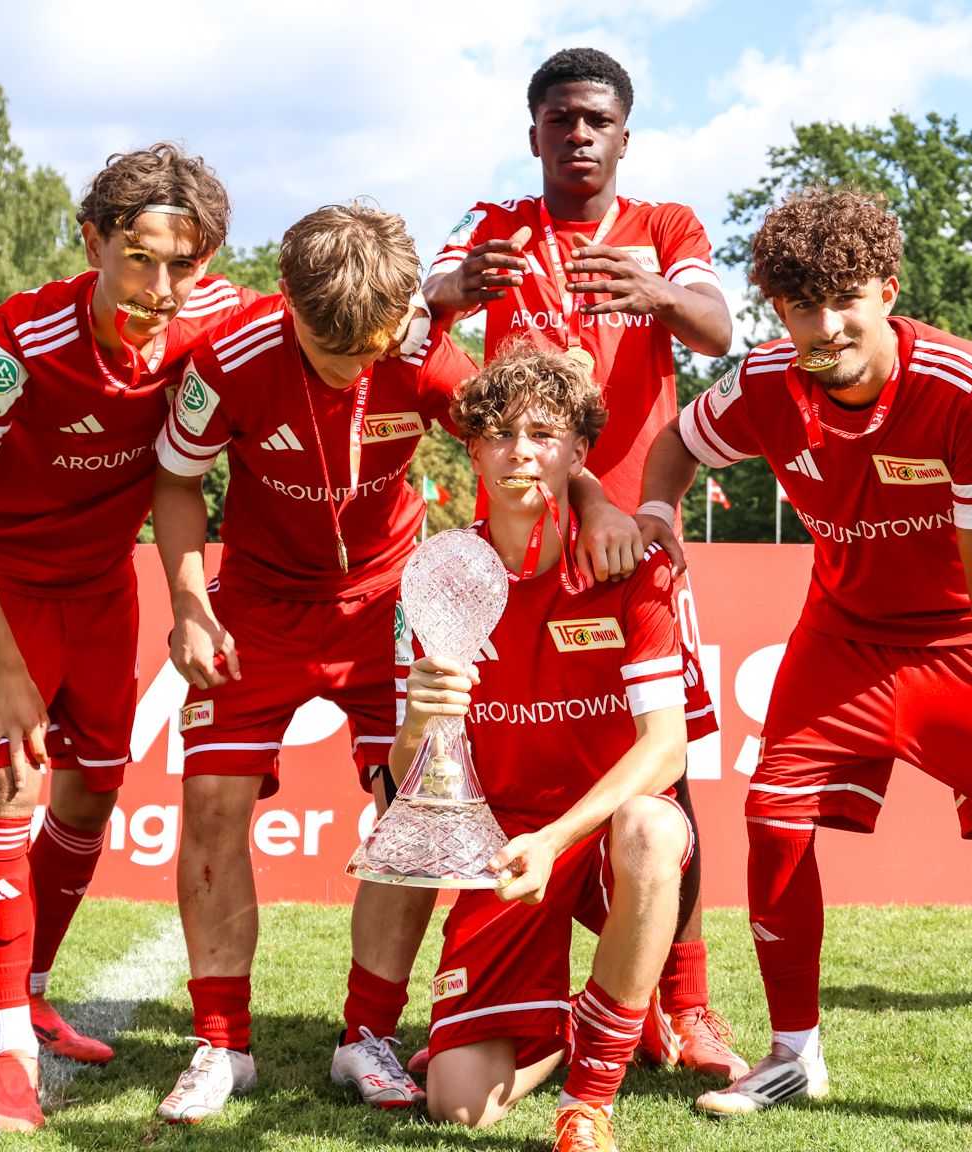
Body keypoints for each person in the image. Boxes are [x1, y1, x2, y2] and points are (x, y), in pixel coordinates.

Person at [150, 201, 630, 1122]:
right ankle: (220, 1044)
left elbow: (521, 433)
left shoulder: (415, 348)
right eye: (334, 351)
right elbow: (176, 478)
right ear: (287, 297)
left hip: (388, 602)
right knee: (211, 805)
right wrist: (188, 604)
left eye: (371, 349)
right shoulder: (228, 359)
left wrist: (598, 499)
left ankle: (366, 1034)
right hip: (257, 607)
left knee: (410, 809)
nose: (355, 367)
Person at [636, 187, 972, 1152]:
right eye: (802, 306)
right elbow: (675, 443)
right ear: (780, 311)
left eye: (845, 299)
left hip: (963, 638)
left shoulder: (969, 384)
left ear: (888, 291)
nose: (826, 326)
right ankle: (794, 1054)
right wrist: (659, 515)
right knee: (771, 818)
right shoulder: (765, 381)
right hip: (842, 637)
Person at [421, 45, 743, 1079]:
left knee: (666, 774)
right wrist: (460, 285)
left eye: (597, 120)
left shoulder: (665, 227)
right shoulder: (499, 222)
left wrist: (655, 293)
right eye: (560, 118)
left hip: (630, 545)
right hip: (520, 545)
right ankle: (500, 989)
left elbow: (718, 327)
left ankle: (685, 1004)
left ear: (624, 137)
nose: (578, 134)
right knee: (487, 759)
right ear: (534, 133)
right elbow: (425, 294)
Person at [0, 143, 254, 1132]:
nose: (161, 288)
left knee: (95, 789)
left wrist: (431, 304)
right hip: (6, 588)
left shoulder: (217, 317)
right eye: (139, 259)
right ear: (92, 241)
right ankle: (7, 1055)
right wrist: (6, 672)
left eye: (182, 265)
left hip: (105, 588)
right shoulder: (15, 344)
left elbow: (329, 317)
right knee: (7, 784)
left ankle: (30, 988)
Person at [404, 339, 690, 1152]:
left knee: (653, 827)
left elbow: (666, 749)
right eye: (499, 434)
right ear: (472, 451)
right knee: (457, 1106)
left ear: (579, 454)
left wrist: (555, 838)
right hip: (505, 843)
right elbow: (406, 780)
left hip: (593, 834)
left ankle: (589, 1099)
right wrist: (419, 722)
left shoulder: (631, 568)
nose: (520, 452)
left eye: (542, 434)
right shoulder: (439, 577)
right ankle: (600, 1013)